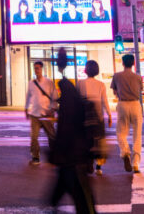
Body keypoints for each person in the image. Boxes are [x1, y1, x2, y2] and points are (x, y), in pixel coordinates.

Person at [48, 49, 96, 214]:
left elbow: (65, 130)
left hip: (71, 158)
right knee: (80, 197)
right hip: (72, 158)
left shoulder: (68, 101)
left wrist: (56, 152)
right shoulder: (73, 95)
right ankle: (53, 203)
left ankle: (53, 203)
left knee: (80, 197)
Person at [77, 60, 112, 173]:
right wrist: (109, 115)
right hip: (98, 117)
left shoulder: (80, 83)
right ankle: (99, 166)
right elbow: (104, 101)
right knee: (99, 140)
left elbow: (77, 101)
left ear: (86, 70)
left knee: (86, 140)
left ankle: (88, 163)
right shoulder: (101, 84)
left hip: (84, 116)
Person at [111, 53, 143, 173]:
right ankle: (136, 164)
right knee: (137, 134)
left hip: (123, 104)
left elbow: (115, 92)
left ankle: (125, 152)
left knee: (121, 132)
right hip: (135, 104)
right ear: (133, 63)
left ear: (123, 63)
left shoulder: (117, 76)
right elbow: (140, 90)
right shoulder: (138, 77)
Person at [25, 60, 58, 165]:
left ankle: (55, 155)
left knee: (51, 136)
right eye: (35, 68)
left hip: (46, 114)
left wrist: (53, 108)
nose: (36, 70)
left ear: (42, 69)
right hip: (34, 114)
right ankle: (35, 157)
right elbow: (28, 96)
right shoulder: (31, 83)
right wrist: (26, 108)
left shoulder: (49, 82)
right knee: (34, 137)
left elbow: (55, 97)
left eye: (38, 68)